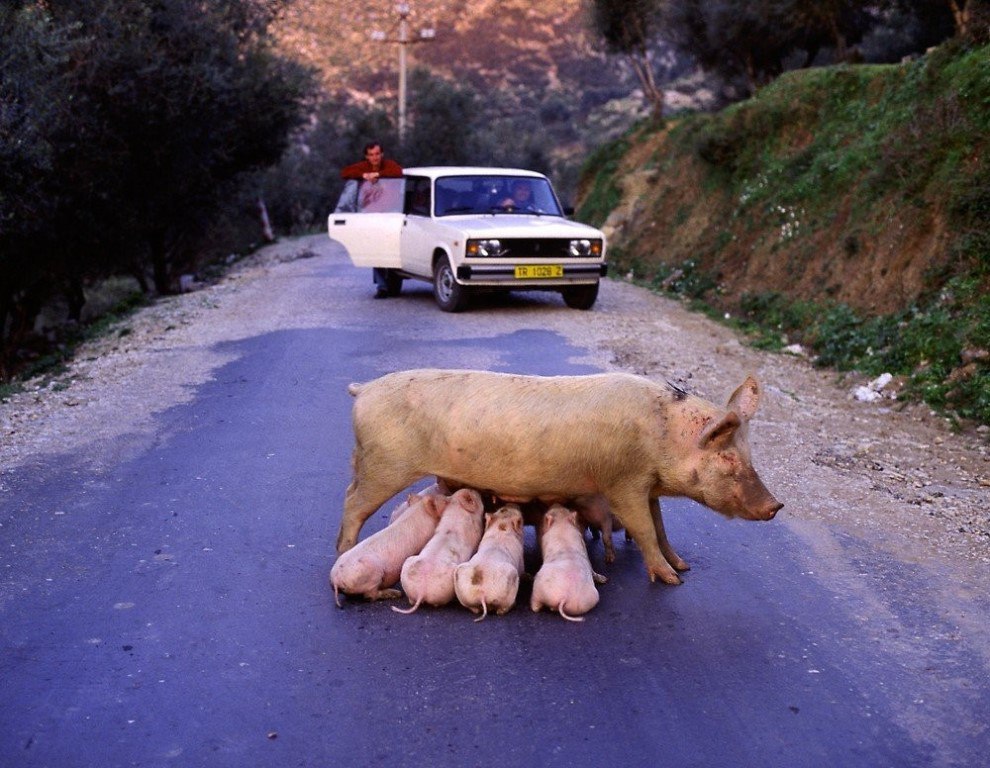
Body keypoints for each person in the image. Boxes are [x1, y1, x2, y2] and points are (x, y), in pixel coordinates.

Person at [340, 142, 404, 298]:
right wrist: (363, 176)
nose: (375, 157)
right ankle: (382, 287)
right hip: (372, 214)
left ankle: (393, 280)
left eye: (377, 154)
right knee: (377, 249)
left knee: (393, 247)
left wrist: (377, 175)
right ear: (366, 156)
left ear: (382, 154)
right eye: (371, 155)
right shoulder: (363, 166)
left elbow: (397, 171)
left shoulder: (389, 165)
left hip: (392, 212)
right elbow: (345, 172)